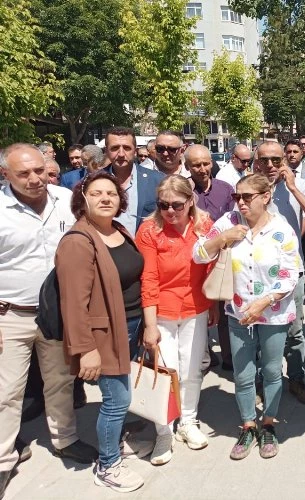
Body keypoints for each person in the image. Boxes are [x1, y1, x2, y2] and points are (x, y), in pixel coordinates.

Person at [0, 144, 97, 498]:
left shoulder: (66, 201)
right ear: (5, 175)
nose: (34, 179)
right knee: (7, 392)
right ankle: (3, 460)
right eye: (23, 173)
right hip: (10, 315)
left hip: (57, 313)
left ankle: (65, 439)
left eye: (39, 170)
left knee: (60, 382)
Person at [194, 173, 301, 460]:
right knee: (242, 375)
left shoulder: (281, 229)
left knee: (272, 371)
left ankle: (269, 424)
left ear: (266, 197)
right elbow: (199, 254)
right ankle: (248, 426)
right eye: (236, 197)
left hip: (273, 314)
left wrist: (264, 302)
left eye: (247, 197)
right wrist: (223, 239)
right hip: (238, 314)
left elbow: (291, 274)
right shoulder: (228, 222)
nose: (240, 202)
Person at [57, 170, 145, 492]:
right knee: (116, 400)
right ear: (82, 200)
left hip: (130, 325)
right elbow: (73, 303)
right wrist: (86, 349)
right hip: (103, 334)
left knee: (121, 395)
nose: (105, 198)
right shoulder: (78, 242)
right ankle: (108, 465)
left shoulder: (118, 230)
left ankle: (117, 442)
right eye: (96, 193)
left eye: (112, 193)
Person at [136, 175, 215, 465]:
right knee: (167, 373)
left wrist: (213, 305)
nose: (170, 211)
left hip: (196, 307)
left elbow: (212, 268)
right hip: (162, 312)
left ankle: (188, 421)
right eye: (164, 205)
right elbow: (148, 278)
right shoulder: (149, 230)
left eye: (177, 205)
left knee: (192, 370)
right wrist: (150, 325)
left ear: (190, 202)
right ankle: (164, 431)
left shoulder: (204, 225)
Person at [254, 141, 305, 404]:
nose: (270, 165)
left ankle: (296, 378)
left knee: (295, 330)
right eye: (264, 160)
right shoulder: (250, 188)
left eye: (276, 160)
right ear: (256, 162)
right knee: (260, 331)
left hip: (292, 271)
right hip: (259, 273)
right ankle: (263, 381)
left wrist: (292, 188)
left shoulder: (298, 184)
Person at [186, 144, 235, 371]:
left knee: (224, 311)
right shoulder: (183, 190)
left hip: (222, 259)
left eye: (206, 163)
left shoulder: (225, 189)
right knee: (198, 311)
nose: (202, 169)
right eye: (196, 165)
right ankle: (202, 357)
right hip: (193, 259)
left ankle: (229, 358)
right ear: (187, 166)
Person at [103, 127, 164, 270]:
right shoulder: (94, 182)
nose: (121, 154)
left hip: (148, 261)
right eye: (115, 148)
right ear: (106, 151)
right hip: (108, 260)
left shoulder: (158, 181)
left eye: (127, 148)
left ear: (135, 151)